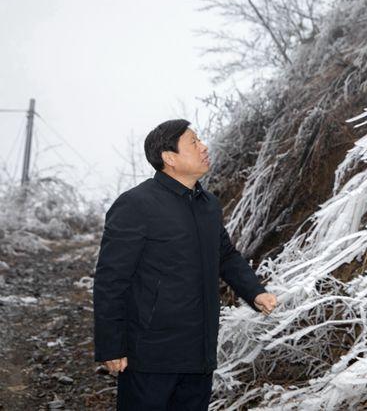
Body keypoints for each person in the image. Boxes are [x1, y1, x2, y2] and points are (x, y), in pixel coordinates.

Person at [93, 119, 277, 410]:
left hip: (199, 351)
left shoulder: (208, 204)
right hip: (150, 354)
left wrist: (255, 292)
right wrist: (110, 345)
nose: (203, 146)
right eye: (193, 142)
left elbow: (226, 255)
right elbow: (110, 279)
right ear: (169, 158)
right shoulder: (136, 204)